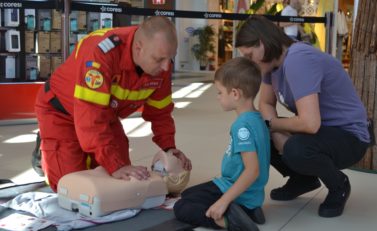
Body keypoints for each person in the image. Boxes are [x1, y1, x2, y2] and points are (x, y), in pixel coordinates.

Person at [34, 16, 192, 192]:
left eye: (170, 59)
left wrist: (169, 147)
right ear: (138, 48)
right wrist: (114, 165)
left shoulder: (161, 65)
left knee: (123, 181)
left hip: (105, 114)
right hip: (62, 112)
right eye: (159, 59)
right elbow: (90, 117)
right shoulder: (100, 54)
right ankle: (45, 152)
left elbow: (160, 112)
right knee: (72, 187)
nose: (165, 67)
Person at [236, 15, 370, 218]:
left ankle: (338, 185)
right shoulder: (269, 65)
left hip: (349, 137)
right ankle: (303, 179)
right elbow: (265, 103)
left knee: (296, 148)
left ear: (262, 44)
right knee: (255, 130)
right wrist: (276, 132)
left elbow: (310, 123)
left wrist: (274, 126)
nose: (248, 63)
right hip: (322, 132)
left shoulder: (298, 59)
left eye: (248, 55)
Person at [174, 57, 271, 231]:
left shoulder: (242, 126)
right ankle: (249, 210)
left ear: (235, 93)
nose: (218, 97)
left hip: (235, 189)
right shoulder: (258, 119)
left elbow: (252, 170)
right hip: (253, 195)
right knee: (189, 193)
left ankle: (230, 220)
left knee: (182, 207)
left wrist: (223, 201)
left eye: (220, 92)